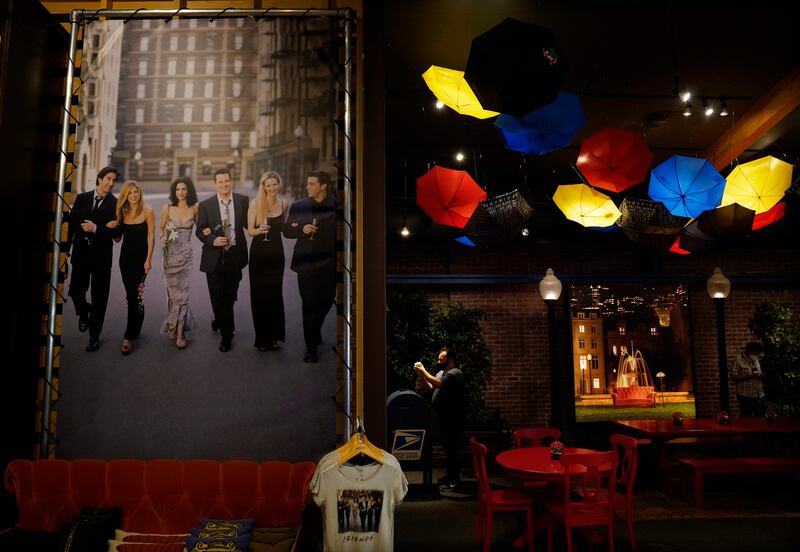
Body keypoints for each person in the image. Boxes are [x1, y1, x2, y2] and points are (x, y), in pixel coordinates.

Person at [283, 170, 337, 363]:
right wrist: (302, 229)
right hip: (306, 263)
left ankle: (315, 330)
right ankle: (311, 348)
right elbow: (287, 230)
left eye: (312, 184)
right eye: (308, 183)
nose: (308, 187)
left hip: (330, 264)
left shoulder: (335, 205)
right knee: (309, 305)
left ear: (323, 186)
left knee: (326, 302)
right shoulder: (299, 206)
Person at [66, 166, 120, 352]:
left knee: (100, 298)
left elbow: (117, 232)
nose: (111, 183)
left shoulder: (115, 204)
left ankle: (94, 337)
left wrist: (97, 229)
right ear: (99, 179)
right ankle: (83, 311)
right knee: (75, 291)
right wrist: (64, 251)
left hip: (102, 257)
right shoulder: (82, 199)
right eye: (108, 179)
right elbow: (71, 227)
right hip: (80, 255)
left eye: (113, 180)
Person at [196, 168, 249, 352]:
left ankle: (219, 318)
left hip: (235, 256)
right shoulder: (206, 205)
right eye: (220, 182)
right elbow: (200, 229)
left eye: (227, 181)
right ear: (215, 183)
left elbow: (249, 224)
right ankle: (227, 335)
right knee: (218, 296)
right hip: (214, 257)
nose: (224, 184)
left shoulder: (242, 201)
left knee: (230, 295)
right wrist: (212, 239)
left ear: (230, 181)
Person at [105, 181, 154, 355]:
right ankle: (136, 326)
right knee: (132, 297)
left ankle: (128, 336)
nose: (134, 195)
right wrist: (113, 226)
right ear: (126, 195)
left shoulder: (148, 211)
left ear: (140, 193)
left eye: (136, 192)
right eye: (130, 193)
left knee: (135, 296)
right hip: (125, 261)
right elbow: (118, 239)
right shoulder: (122, 212)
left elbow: (151, 236)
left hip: (141, 262)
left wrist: (148, 259)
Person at [414, 347, 465, 491]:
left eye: (442, 359)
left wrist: (423, 370)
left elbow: (439, 383)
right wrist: (422, 376)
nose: (438, 361)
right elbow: (432, 387)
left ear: (450, 359)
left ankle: (454, 480)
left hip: (453, 419)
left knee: (453, 449)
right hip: (443, 418)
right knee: (447, 448)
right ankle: (450, 476)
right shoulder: (441, 373)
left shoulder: (455, 373)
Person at [246, 171, 287, 351]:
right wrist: (260, 230)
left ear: (279, 185)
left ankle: (274, 337)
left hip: (277, 253)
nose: (272, 188)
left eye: (274, 184)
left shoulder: (285, 205)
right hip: (259, 253)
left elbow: (284, 229)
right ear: (263, 186)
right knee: (259, 295)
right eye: (268, 185)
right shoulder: (255, 204)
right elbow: (250, 231)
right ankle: (262, 338)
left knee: (275, 295)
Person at [159, 177, 199, 349]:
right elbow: (161, 228)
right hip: (170, 255)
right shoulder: (167, 208)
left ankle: (180, 331)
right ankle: (173, 327)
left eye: (184, 189)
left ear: (188, 190)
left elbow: (202, 228)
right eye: (177, 189)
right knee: (172, 294)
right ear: (174, 192)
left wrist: (209, 231)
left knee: (183, 294)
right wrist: (162, 236)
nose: (181, 192)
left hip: (186, 255)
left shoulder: (195, 208)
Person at [731, 341, 766, 417]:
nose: (756, 356)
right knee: (747, 419)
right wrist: (750, 376)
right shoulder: (738, 359)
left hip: (758, 394)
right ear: (748, 350)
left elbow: (756, 372)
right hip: (745, 395)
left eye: (757, 354)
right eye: (755, 353)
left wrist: (761, 376)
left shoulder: (755, 358)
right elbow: (733, 377)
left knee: (760, 418)